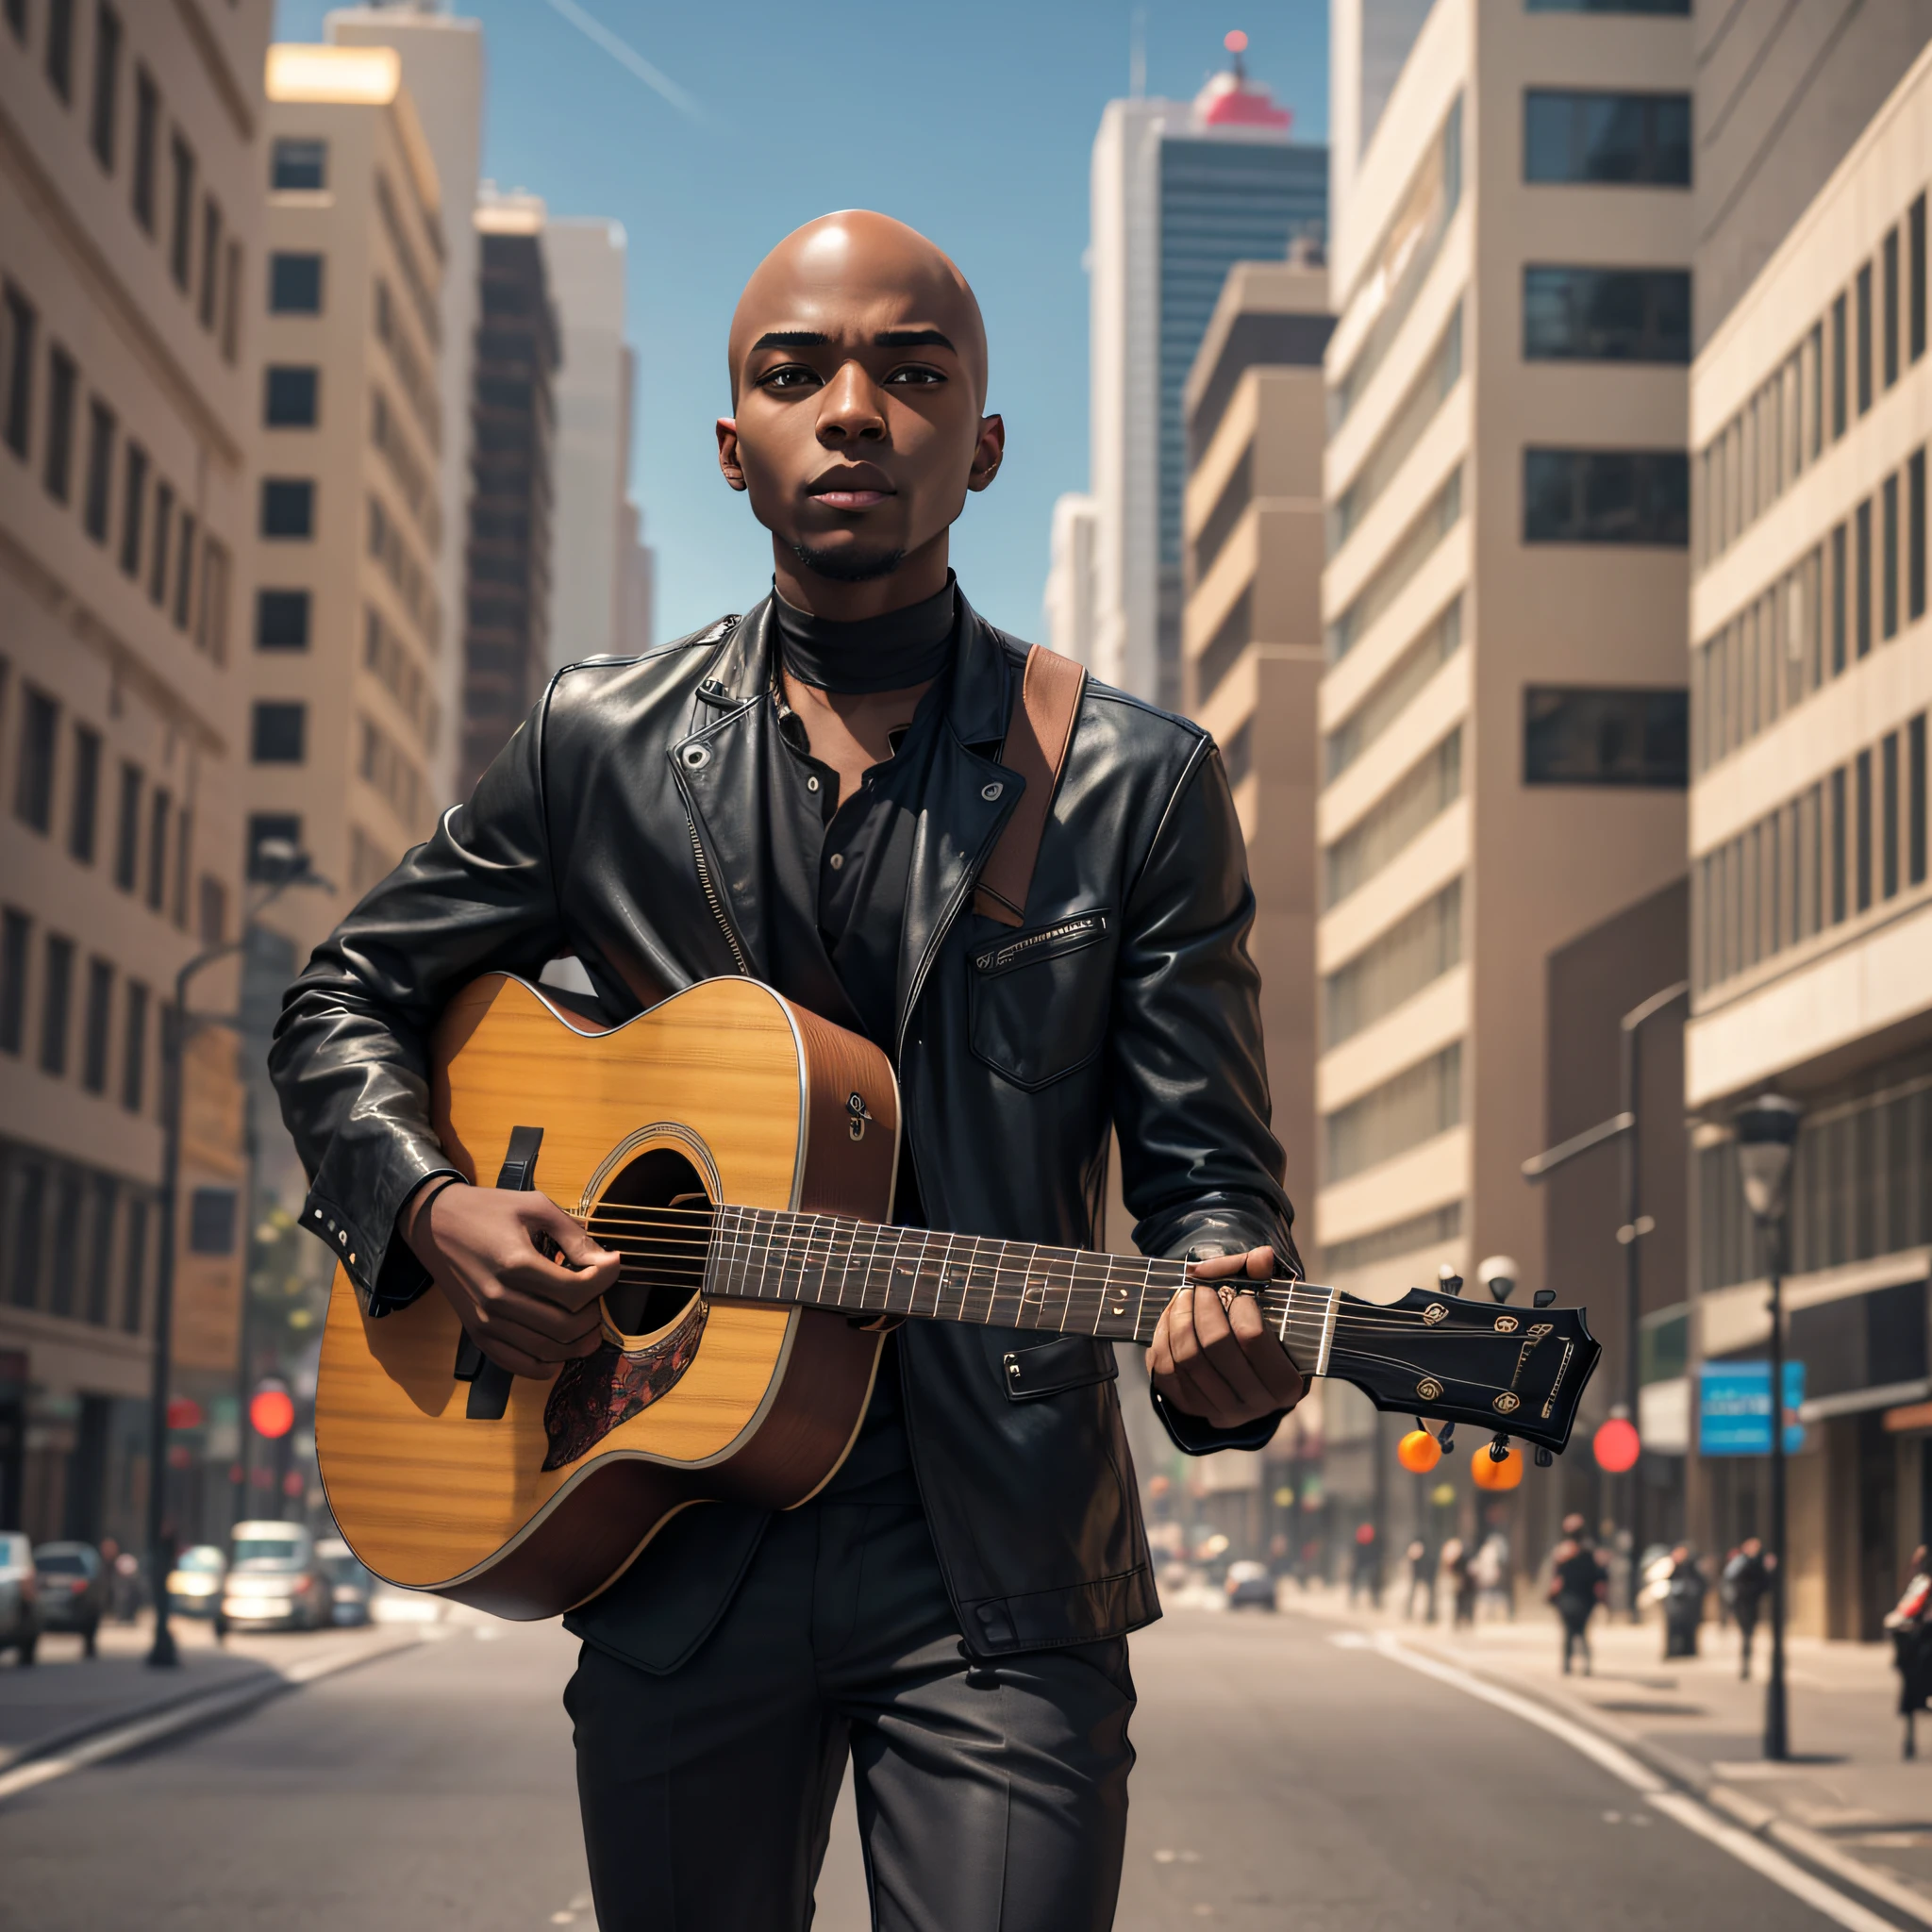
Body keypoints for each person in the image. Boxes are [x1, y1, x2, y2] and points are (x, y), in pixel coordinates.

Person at [269, 211, 1307, 1932]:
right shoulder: (596, 741)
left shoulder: (1136, 781)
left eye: (910, 375)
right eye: (794, 372)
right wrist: (433, 1205)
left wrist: (1223, 1329)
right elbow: (343, 1000)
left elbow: (1208, 1179)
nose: (851, 410)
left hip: (992, 1568)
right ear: (731, 447)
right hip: (660, 1529)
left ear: (977, 446)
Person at [1886, 1546, 1932, 1759]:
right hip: (1918, 1642)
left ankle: (1909, 1739)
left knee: (1915, 1685)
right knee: (1913, 1688)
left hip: (1922, 1644)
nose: (1914, 1565)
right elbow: (1905, 1609)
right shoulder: (1919, 1583)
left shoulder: (1923, 1583)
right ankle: (1909, 1739)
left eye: (1918, 1561)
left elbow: (1907, 1609)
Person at [1548, 1515, 1606, 1676]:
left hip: (1581, 1596)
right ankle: (1571, 1665)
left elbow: (1599, 1575)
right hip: (1574, 1595)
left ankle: (1576, 1665)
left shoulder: (1584, 1551)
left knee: (1575, 1631)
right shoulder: (1568, 1551)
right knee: (1574, 1631)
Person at [1722, 1537, 1774, 1681]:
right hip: (1741, 1602)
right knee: (1746, 1633)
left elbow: (1766, 1582)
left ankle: (1746, 1663)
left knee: (1749, 1634)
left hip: (1753, 1602)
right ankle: (1745, 1664)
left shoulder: (1761, 1562)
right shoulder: (1740, 1562)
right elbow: (1729, 1579)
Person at [1662, 1543, 1707, 1658]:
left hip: (1688, 1606)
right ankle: (1673, 1651)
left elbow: (1701, 1584)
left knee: (1689, 1629)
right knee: (1673, 1629)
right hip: (1675, 1605)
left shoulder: (1691, 1567)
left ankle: (1688, 1651)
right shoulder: (1671, 1567)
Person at [1403, 1538, 1435, 1622]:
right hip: (1417, 1572)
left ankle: (1430, 1615)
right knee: (1412, 1592)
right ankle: (1408, 1612)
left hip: (1429, 1572)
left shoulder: (1429, 1554)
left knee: (1430, 1594)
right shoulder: (1414, 1553)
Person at [1349, 1522, 1380, 1605]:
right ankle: (1353, 1599)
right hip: (1363, 1563)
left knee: (1372, 1584)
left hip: (1367, 1563)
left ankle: (1375, 1601)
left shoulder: (1371, 1543)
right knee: (1358, 1583)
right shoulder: (1360, 1543)